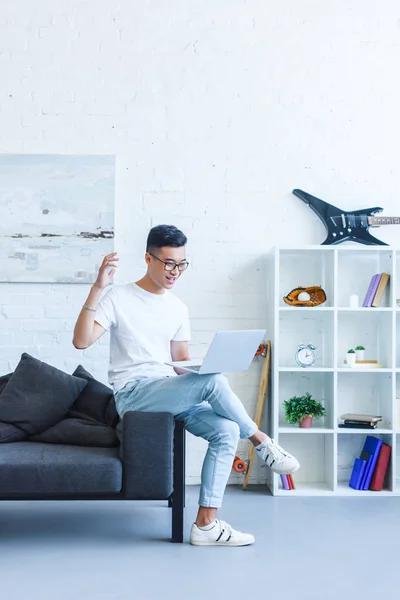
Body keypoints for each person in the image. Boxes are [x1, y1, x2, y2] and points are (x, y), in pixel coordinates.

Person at [73, 224, 299, 547]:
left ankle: (205, 524)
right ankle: (262, 441)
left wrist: (203, 369)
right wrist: (97, 288)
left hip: (168, 389)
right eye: (168, 263)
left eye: (181, 264)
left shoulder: (178, 308)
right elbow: (81, 341)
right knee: (214, 383)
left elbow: (179, 363)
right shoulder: (118, 297)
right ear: (148, 259)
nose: (175, 271)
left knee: (226, 430)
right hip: (134, 395)